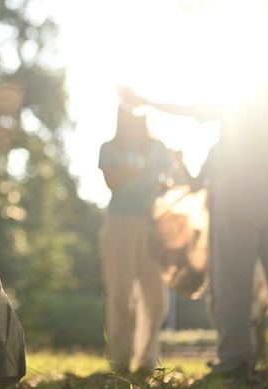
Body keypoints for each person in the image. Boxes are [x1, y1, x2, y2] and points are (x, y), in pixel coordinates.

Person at [121, 47, 268, 380]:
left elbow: (189, 109)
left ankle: (235, 362)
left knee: (232, 282)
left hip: (237, 188)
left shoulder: (236, 102)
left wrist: (148, 102)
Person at [97, 103, 178, 373]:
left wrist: (165, 183)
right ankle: (119, 361)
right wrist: (129, 170)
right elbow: (111, 183)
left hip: (152, 224)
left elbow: (169, 180)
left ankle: (146, 360)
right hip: (120, 223)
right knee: (120, 294)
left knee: (155, 296)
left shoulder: (158, 148)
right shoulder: (109, 147)